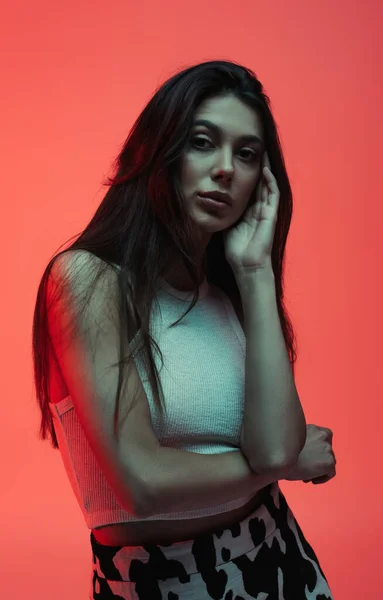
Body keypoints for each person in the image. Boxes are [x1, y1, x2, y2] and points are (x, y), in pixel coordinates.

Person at [32, 59, 336, 599]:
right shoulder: (86, 279)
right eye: (202, 142)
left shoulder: (233, 294)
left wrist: (255, 273)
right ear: (160, 152)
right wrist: (284, 463)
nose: (225, 169)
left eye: (246, 155)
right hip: (159, 582)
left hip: (278, 560)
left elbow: (272, 445)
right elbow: (141, 484)